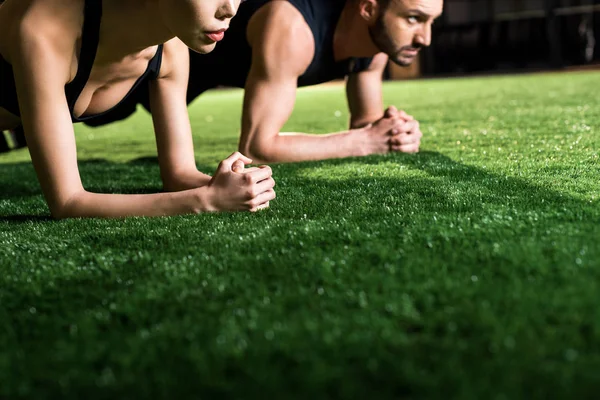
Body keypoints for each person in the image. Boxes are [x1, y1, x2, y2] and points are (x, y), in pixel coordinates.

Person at [0, 0, 276, 218]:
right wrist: (207, 200)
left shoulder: (171, 45)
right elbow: (68, 202)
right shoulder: (45, 27)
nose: (230, 9)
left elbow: (178, 174)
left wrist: (226, 185)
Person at [88, 0, 444, 163]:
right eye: (414, 19)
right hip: (153, 58)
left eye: (431, 22)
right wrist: (367, 141)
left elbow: (364, 128)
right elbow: (257, 147)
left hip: (185, 80)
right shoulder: (292, 27)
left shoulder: (376, 45)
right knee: (87, 107)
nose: (425, 38)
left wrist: (392, 132)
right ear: (369, 8)